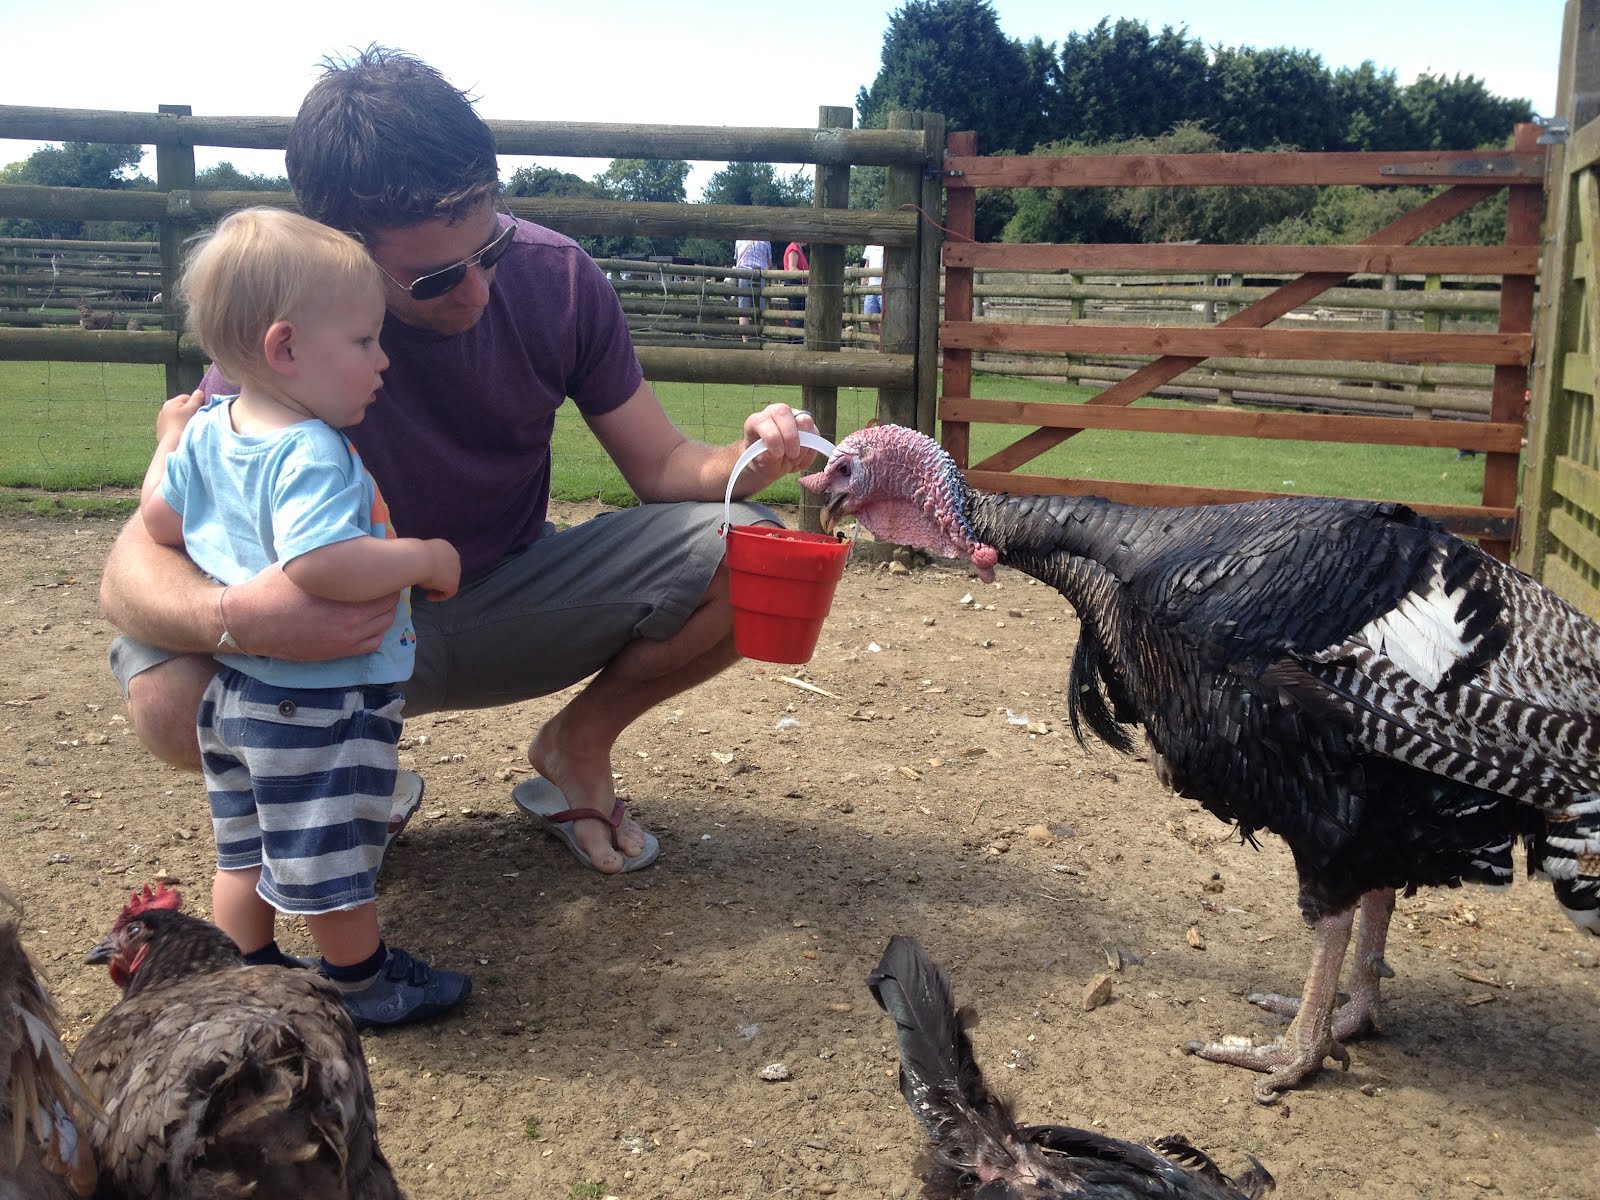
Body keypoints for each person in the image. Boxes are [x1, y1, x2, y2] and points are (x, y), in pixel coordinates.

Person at [99, 45, 820, 879]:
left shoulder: (560, 280)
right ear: (341, 247)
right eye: (437, 276)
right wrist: (240, 618)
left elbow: (663, 468)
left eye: (492, 248)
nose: (477, 291)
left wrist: (749, 458)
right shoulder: (282, 338)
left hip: (504, 599)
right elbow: (129, 573)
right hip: (339, 631)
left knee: (759, 554)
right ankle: (353, 779)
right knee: (165, 697)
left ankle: (575, 747)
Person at [139, 207, 469, 1027]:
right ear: (286, 347)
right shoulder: (309, 449)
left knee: (243, 847)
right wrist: (424, 557)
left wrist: (166, 440)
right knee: (333, 858)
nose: (383, 358)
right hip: (319, 703)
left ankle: (245, 969)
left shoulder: (211, 432)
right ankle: (363, 986)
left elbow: (158, 522)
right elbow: (322, 563)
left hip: (235, 694)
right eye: (364, 340)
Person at [733, 238, 770, 339]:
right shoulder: (765, 241)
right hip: (760, 275)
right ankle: (760, 336)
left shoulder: (739, 241)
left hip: (743, 275)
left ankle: (745, 339)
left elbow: (737, 260)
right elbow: (769, 263)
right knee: (761, 309)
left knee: (743, 310)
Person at [860, 244, 884, 342]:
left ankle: (885, 345)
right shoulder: (869, 246)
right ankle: (877, 347)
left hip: (884, 286)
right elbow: (867, 264)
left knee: (885, 318)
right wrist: (863, 282)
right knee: (870, 317)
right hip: (871, 286)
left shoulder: (887, 242)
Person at [782, 240, 809, 329]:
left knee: (800, 315)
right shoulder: (794, 248)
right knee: (797, 316)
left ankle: (797, 340)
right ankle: (795, 341)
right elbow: (792, 269)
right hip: (794, 284)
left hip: (799, 283)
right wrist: (808, 277)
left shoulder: (798, 249)